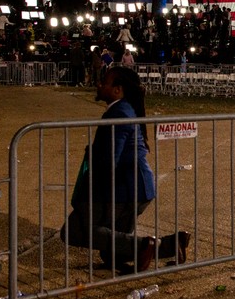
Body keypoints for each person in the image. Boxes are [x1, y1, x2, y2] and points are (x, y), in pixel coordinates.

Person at [59, 66, 188, 271]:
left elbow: (110, 160)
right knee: (112, 255)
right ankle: (172, 245)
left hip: (126, 191)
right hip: (137, 189)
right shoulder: (124, 109)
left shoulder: (119, 114)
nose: (99, 85)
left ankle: (150, 246)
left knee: (74, 231)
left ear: (117, 90)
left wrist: (91, 195)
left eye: (105, 82)